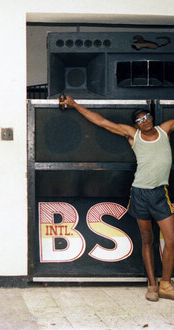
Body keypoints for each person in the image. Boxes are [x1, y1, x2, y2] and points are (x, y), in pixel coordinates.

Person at [60, 95, 174, 301]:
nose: (144, 121)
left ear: (151, 117)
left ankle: (165, 284)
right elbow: (102, 122)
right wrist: (75, 104)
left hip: (160, 193)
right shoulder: (133, 136)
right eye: (139, 120)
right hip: (140, 193)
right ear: (135, 126)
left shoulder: (164, 130)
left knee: (171, 240)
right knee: (147, 239)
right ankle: (152, 285)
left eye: (146, 117)